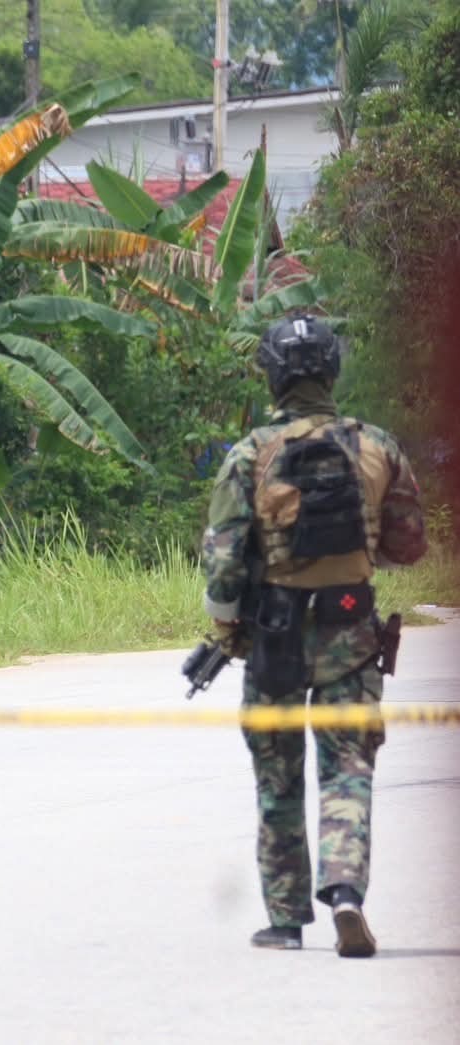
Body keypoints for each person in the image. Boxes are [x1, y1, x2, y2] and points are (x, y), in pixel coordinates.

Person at [201, 314, 426, 956]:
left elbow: (221, 562)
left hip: (270, 640)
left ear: (272, 375)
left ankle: (285, 920)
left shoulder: (249, 454)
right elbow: (409, 546)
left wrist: (228, 630)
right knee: (348, 769)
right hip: (351, 630)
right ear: (332, 371)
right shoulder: (377, 446)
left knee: (277, 779)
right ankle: (347, 893)